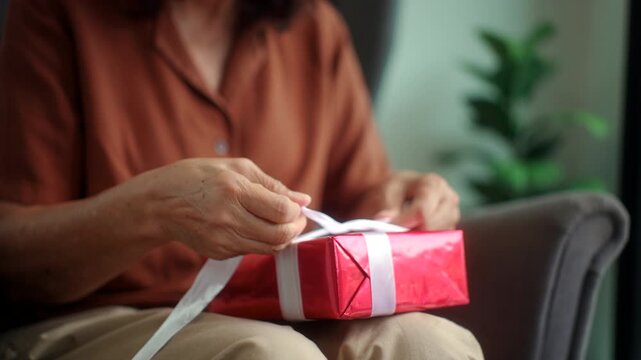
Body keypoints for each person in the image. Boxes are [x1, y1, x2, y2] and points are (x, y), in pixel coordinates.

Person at [0, 0, 483, 358]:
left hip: (289, 313)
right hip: (100, 318)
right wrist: (155, 208)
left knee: (429, 344)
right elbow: (16, 255)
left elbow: (361, 202)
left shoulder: (314, 29)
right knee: (270, 355)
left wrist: (401, 203)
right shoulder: (59, 14)